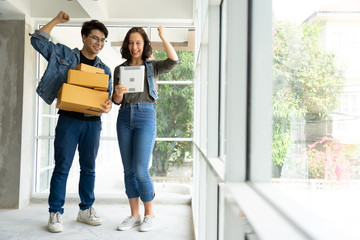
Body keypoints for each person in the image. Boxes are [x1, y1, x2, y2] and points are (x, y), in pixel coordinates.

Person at [30, 11, 112, 233]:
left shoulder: (104, 70)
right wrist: (56, 19)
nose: (99, 43)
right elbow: (37, 40)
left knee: (89, 168)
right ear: (84, 37)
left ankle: (86, 209)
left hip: (93, 123)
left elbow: (108, 99)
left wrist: (107, 105)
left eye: (103, 40)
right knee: (62, 167)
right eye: (95, 38)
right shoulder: (65, 55)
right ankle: (55, 212)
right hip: (69, 120)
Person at [112, 26, 178, 232]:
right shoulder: (119, 69)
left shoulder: (153, 67)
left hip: (145, 115)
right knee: (128, 170)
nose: (134, 47)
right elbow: (115, 101)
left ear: (144, 45)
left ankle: (149, 215)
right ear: (126, 45)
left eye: (138, 43)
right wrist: (119, 92)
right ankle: (134, 215)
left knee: (141, 169)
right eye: (131, 43)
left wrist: (163, 37)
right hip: (124, 116)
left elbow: (174, 60)